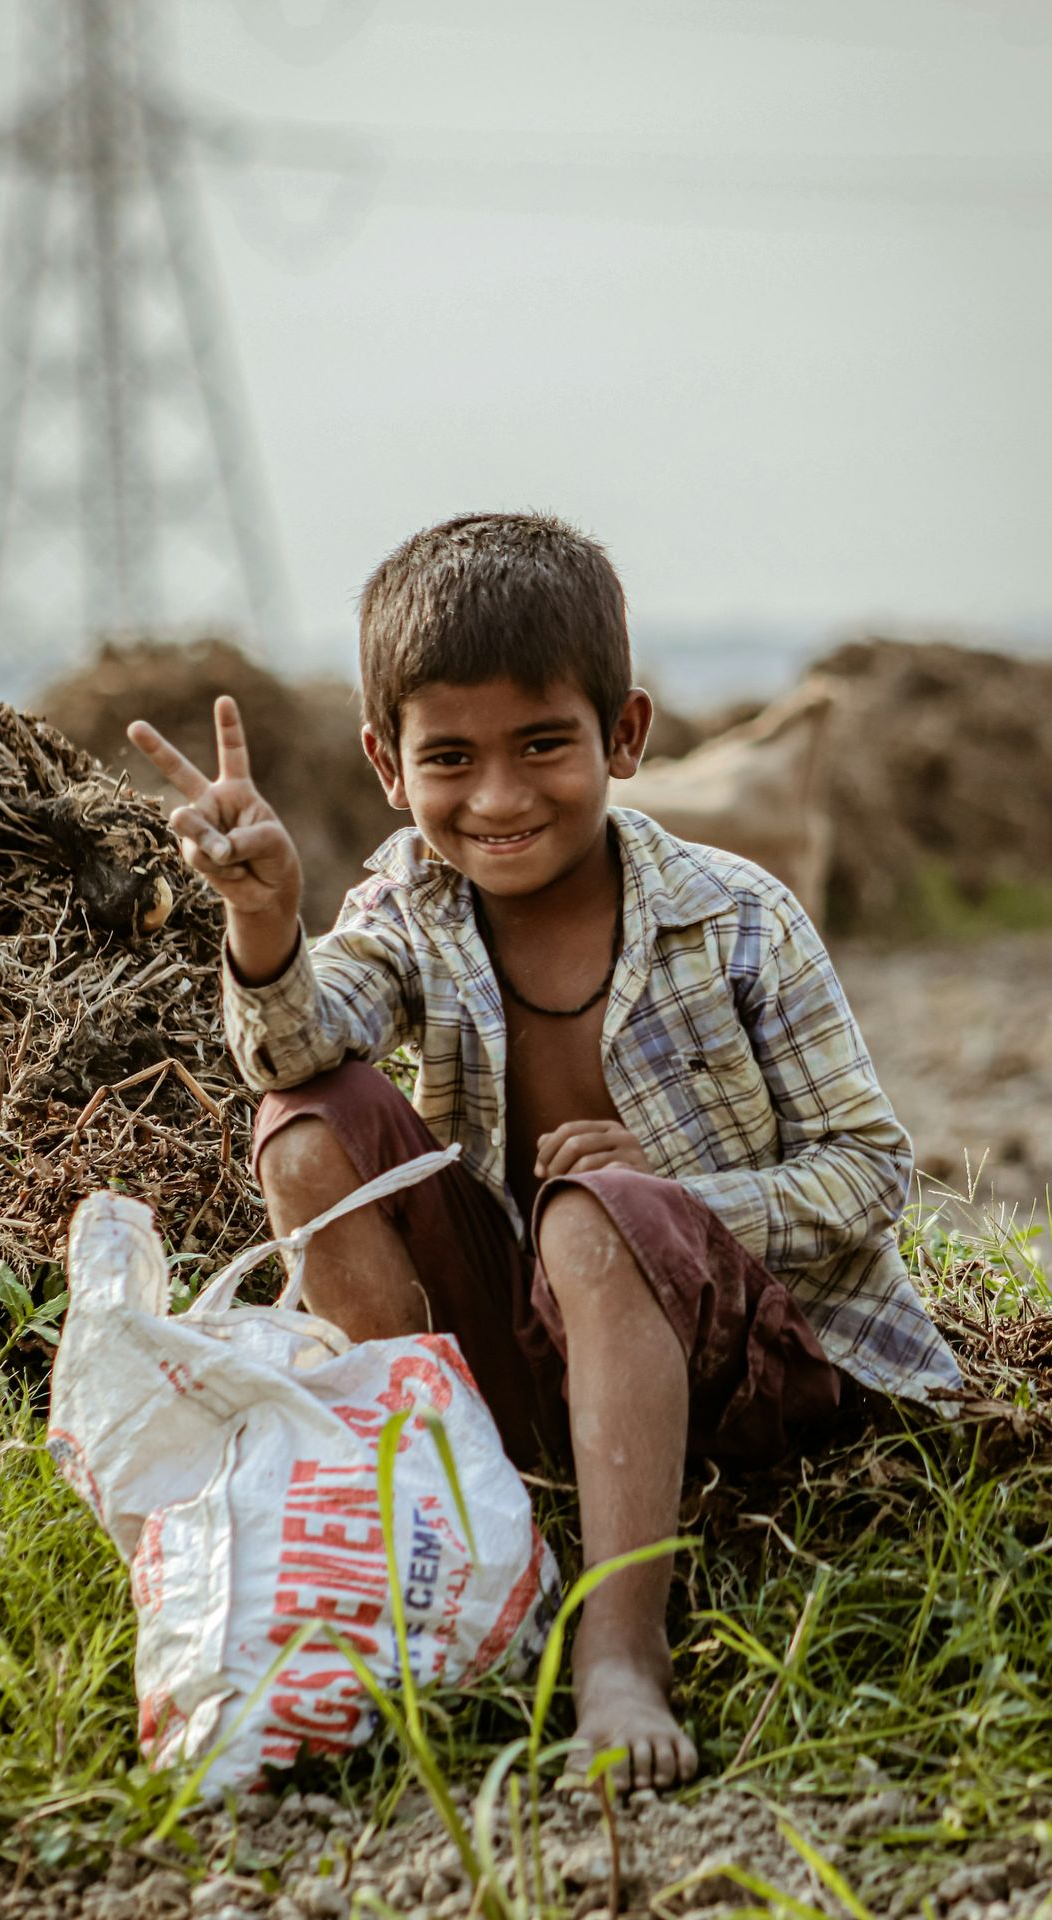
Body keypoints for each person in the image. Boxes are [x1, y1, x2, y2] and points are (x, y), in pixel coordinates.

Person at [128, 510, 961, 1793]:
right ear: (387, 767)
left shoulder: (737, 920)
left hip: (738, 1366)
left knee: (587, 1212)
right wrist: (264, 923)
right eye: (451, 757)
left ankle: (618, 1655)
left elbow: (867, 1169)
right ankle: (460, 1508)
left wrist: (670, 1194)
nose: (500, 797)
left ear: (622, 737)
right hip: (528, 1352)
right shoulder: (404, 906)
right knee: (303, 1130)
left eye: (542, 746)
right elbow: (300, 1044)